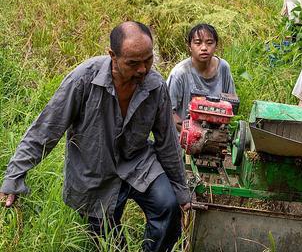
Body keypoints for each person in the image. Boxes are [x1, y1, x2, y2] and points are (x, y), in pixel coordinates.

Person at [0, 21, 190, 252]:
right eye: (133, 63)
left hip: (138, 164)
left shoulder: (155, 86)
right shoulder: (83, 80)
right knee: (107, 242)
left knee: (167, 207)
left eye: (148, 60)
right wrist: (14, 176)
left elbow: (167, 142)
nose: (142, 69)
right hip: (94, 173)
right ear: (113, 56)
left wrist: (181, 190)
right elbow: (46, 129)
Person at [167, 23, 236, 128]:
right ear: (190, 47)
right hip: (185, 134)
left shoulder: (223, 68)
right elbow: (168, 111)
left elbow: (230, 104)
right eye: (198, 43)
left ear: (216, 46)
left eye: (209, 43)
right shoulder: (180, 73)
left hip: (216, 131)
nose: (204, 48)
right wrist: (190, 132)